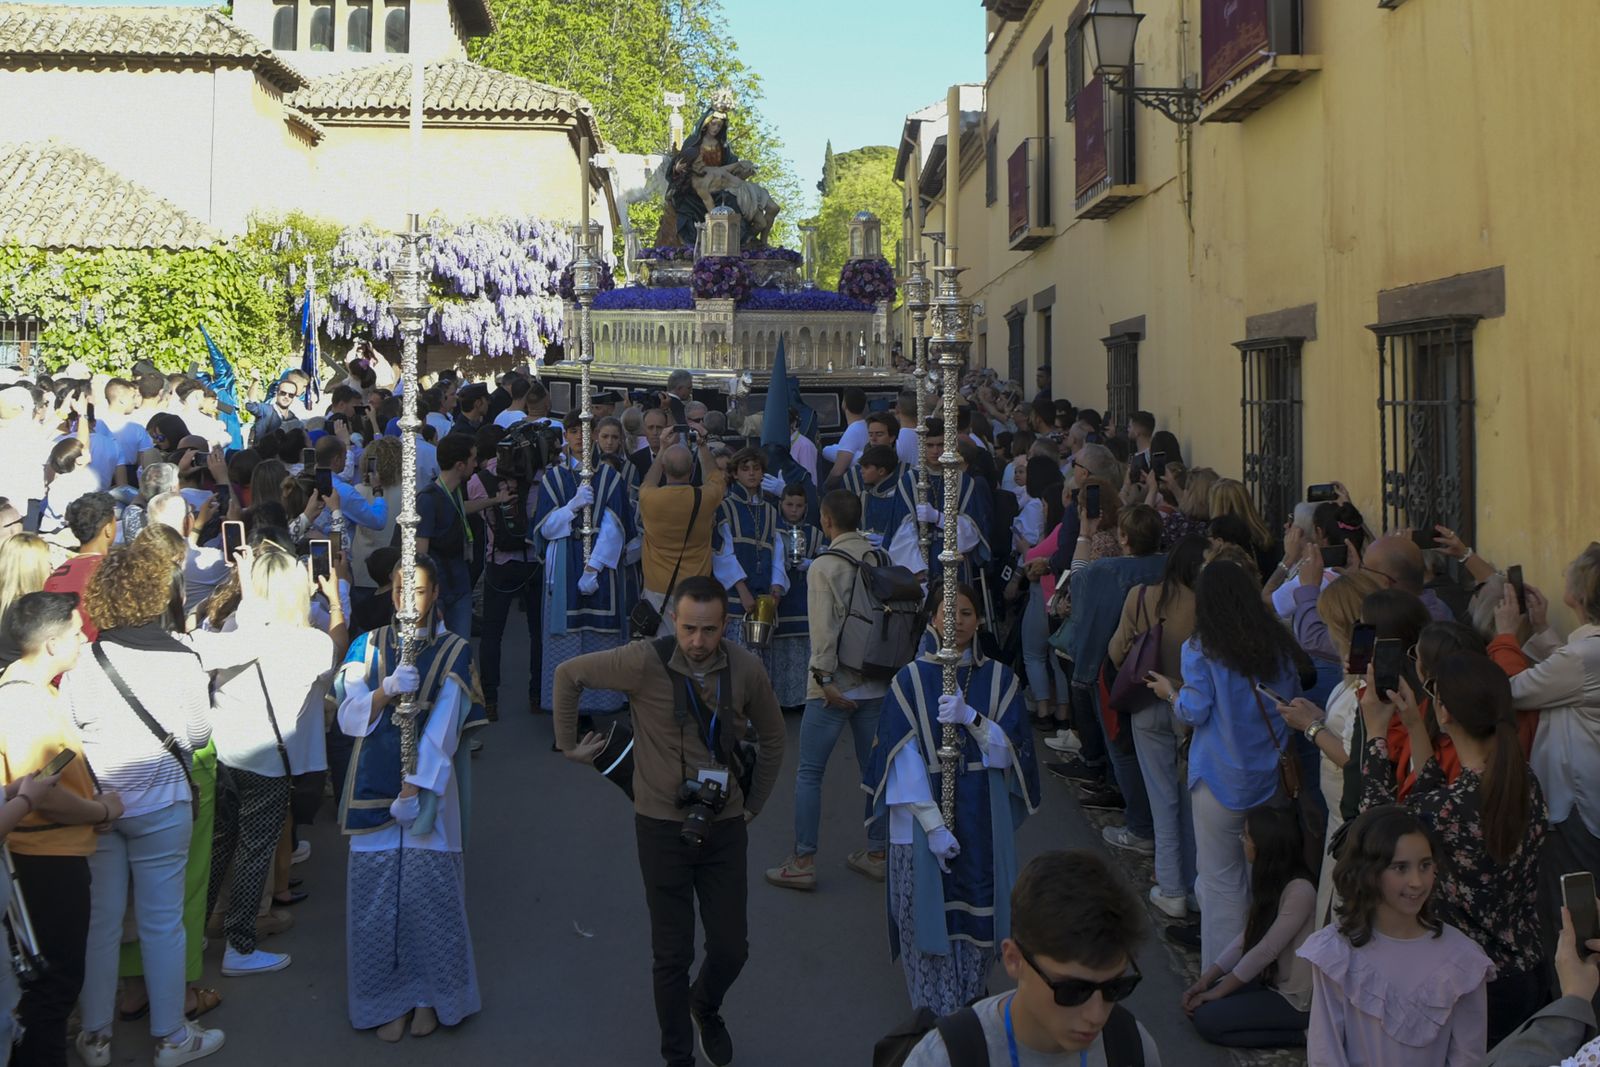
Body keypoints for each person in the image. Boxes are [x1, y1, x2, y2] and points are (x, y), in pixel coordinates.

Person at [555, 576, 786, 1067]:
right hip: (660, 824)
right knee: (671, 954)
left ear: (727, 624)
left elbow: (774, 737)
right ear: (673, 623)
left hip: (724, 826)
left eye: (709, 630)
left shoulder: (745, 668)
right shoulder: (644, 661)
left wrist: (754, 804)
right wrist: (569, 744)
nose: (698, 642)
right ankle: (677, 1057)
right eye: (688, 629)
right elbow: (568, 674)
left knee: (731, 948)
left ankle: (705, 1005)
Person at [65, 540, 225, 1065]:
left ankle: (95, 1037)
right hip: (162, 805)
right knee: (163, 922)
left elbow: (70, 735)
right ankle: (172, 1037)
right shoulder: (181, 658)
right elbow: (200, 734)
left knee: (101, 923)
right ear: (162, 593)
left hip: (102, 806)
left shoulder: (87, 659)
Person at [1354, 652, 1547, 1043]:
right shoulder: (1522, 781)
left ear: (1444, 713)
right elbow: (1434, 796)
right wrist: (1412, 725)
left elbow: (1375, 831)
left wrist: (1376, 731)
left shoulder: (1448, 809)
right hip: (1528, 969)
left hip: (1472, 983)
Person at [866, 583, 1039, 1014]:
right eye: (946, 612)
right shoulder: (908, 680)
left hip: (983, 819)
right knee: (928, 926)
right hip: (922, 829)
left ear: (978, 620)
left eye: (965, 612)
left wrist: (971, 717)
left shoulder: (999, 679)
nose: (955, 621)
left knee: (977, 925)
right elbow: (901, 763)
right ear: (930, 620)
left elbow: (1009, 755)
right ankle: (934, 1022)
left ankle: (968, 1008)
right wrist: (935, 826)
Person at [336, 554, 488, 1041]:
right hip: (369, 789)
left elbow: (444, 728)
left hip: (428, 795)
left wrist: (414, 786)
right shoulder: (367, 644)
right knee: (376, 902)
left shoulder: (455, 650)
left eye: (419, 591)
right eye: (401, 591)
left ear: (435, 593)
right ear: (390, 592)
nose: (408, 601)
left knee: (429, 898)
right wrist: (383, 690)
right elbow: (348, 716)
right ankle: (385, 998)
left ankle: (430, 994)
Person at [1146, 559, 1309, 969]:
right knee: (1264, 879)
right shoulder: (1279, 645)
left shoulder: (1201, 649)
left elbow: (1194, 712)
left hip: (1219, 776)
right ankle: (1263, 965)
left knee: (1220, 881)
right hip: (1269, 775)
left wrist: (1170, 692)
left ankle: (1219, 976)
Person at [196, 545, 344, 977]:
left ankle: (198, 932)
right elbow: (336, 648)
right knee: (253, 853)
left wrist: (246, 601)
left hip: (223, 755)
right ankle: (239, 948)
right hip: (268, 765)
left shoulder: (227, 636)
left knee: (220, 847)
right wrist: (334, 601)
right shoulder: (309, 644)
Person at [0, 592, 124, 1067]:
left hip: (47, 856)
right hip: (44, 861)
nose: (84, 638)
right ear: (50, 644)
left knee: (49, 987)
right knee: (52, 989)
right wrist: (101, 812)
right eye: (76, 633)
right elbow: (44, 792)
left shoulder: (32, 689)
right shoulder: (24, 702)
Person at [900, 849, 1160, 1066]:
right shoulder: (945, 1059)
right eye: (1073, 991)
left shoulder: (1130, 1046)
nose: (1096, 1015)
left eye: (1115, 988)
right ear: (1014, 959)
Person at [1299, 805, 1492, 1065]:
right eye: (1400, 868)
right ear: (1369, 872)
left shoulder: (1461, 959)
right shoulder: (1338, 953)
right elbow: (1326, 1054)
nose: (1417, 881)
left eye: (1425, 865)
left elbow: (1468, 1058)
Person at [767, 491, 889, 890]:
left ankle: (803, 860)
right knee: (875, 773)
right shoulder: (880, 558)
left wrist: (823, 680)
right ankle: (877, 852)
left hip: (834, 684)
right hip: (876, 681)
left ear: (826, 520)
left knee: (809, 773)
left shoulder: (825, 565)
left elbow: (823, 633)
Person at [1109, 534, 1206, 921]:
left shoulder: (1143, 596)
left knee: (1162, 799)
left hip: (1148, 699)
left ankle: (1171, 887)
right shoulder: (1209, 605)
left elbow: (1117, 652)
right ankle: (1197, 887)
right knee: (1190, 800)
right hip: (1191, 706)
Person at [1184, 805, 1315, 1048]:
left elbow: (1266, 949)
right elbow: (1246, 938)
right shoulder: (1273, 879)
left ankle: (1305, 1036)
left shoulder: (1301, 891)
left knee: (1207, 1019)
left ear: (1263, 846)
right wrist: (1207, 980)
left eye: (1246, 836)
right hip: (1273, 983)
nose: (1242, 841)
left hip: (1295, 999)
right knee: (1206, 999)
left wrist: (1219, 992)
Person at [532, 414, 634, 715]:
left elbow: (616, 527)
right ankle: (565, 713)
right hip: (564, 564)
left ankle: (596, 711)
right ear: (565, 435)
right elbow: (545, 529)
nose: (579, 437)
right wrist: (571, 507)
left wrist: (594, 567)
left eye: (584, 430)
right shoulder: (553, 478)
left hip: (599, 570)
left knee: (598, 642)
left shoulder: (610, 477)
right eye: (573, 431)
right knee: (563, 643)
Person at [637, 425, 725, 633]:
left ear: (665, 470)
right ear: (691, 470)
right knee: (694, 647)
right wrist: (702, 446)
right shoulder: (704, 497)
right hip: (695, 585)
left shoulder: (650, 498)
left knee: (661, 653)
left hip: (657, 587)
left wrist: (662, 450)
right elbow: (715, 478)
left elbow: (648, 481)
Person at [715, 446, 788, 654]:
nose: (751, 473)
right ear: (735, 474)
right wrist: (742, 589)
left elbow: (779, 554)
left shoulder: (771, 511)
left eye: (756, 468)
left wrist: (777, 586)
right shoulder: (726, 508)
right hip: (736, 598)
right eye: (745, 468)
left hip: (763, 597)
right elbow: (722, 555)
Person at [415, 434, 487, 638]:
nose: (476, 463)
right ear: (460, 465)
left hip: (460, 585)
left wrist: (495, 500)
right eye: (473, 459)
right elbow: (421, 553)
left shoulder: (452, 492)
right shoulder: (427, 500)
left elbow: (462, 509)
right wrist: (427, 597)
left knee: (460, 650)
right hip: (440, 591)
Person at [772, 482, 824, 710]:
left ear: (806, 507)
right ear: (780, 504)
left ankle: (804, 700)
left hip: (805, 598)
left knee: (804, 649)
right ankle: (781, 700)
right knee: (781, 650)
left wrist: (810, 564)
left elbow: (827, 561)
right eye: (789, 504)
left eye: (799, 506)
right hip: (782, 600)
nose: (794, 510)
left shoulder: (815, 533)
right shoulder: (772, 530)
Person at [0, 533, 54, 667]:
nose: (51, 568)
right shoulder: (34, 614)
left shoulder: (7, 605)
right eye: (47, 563)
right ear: (34, 569)